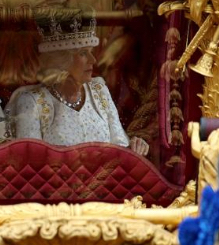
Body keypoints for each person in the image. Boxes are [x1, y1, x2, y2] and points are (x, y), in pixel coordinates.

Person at [8, 13, 149, 155]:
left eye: (91, 52)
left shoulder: (99, 90)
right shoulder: (32, 102)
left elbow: (121, 148)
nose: (93, 60)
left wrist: (135, 147)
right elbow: (31, 162)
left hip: (104, 176)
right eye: (83, 53)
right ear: (62, 60)